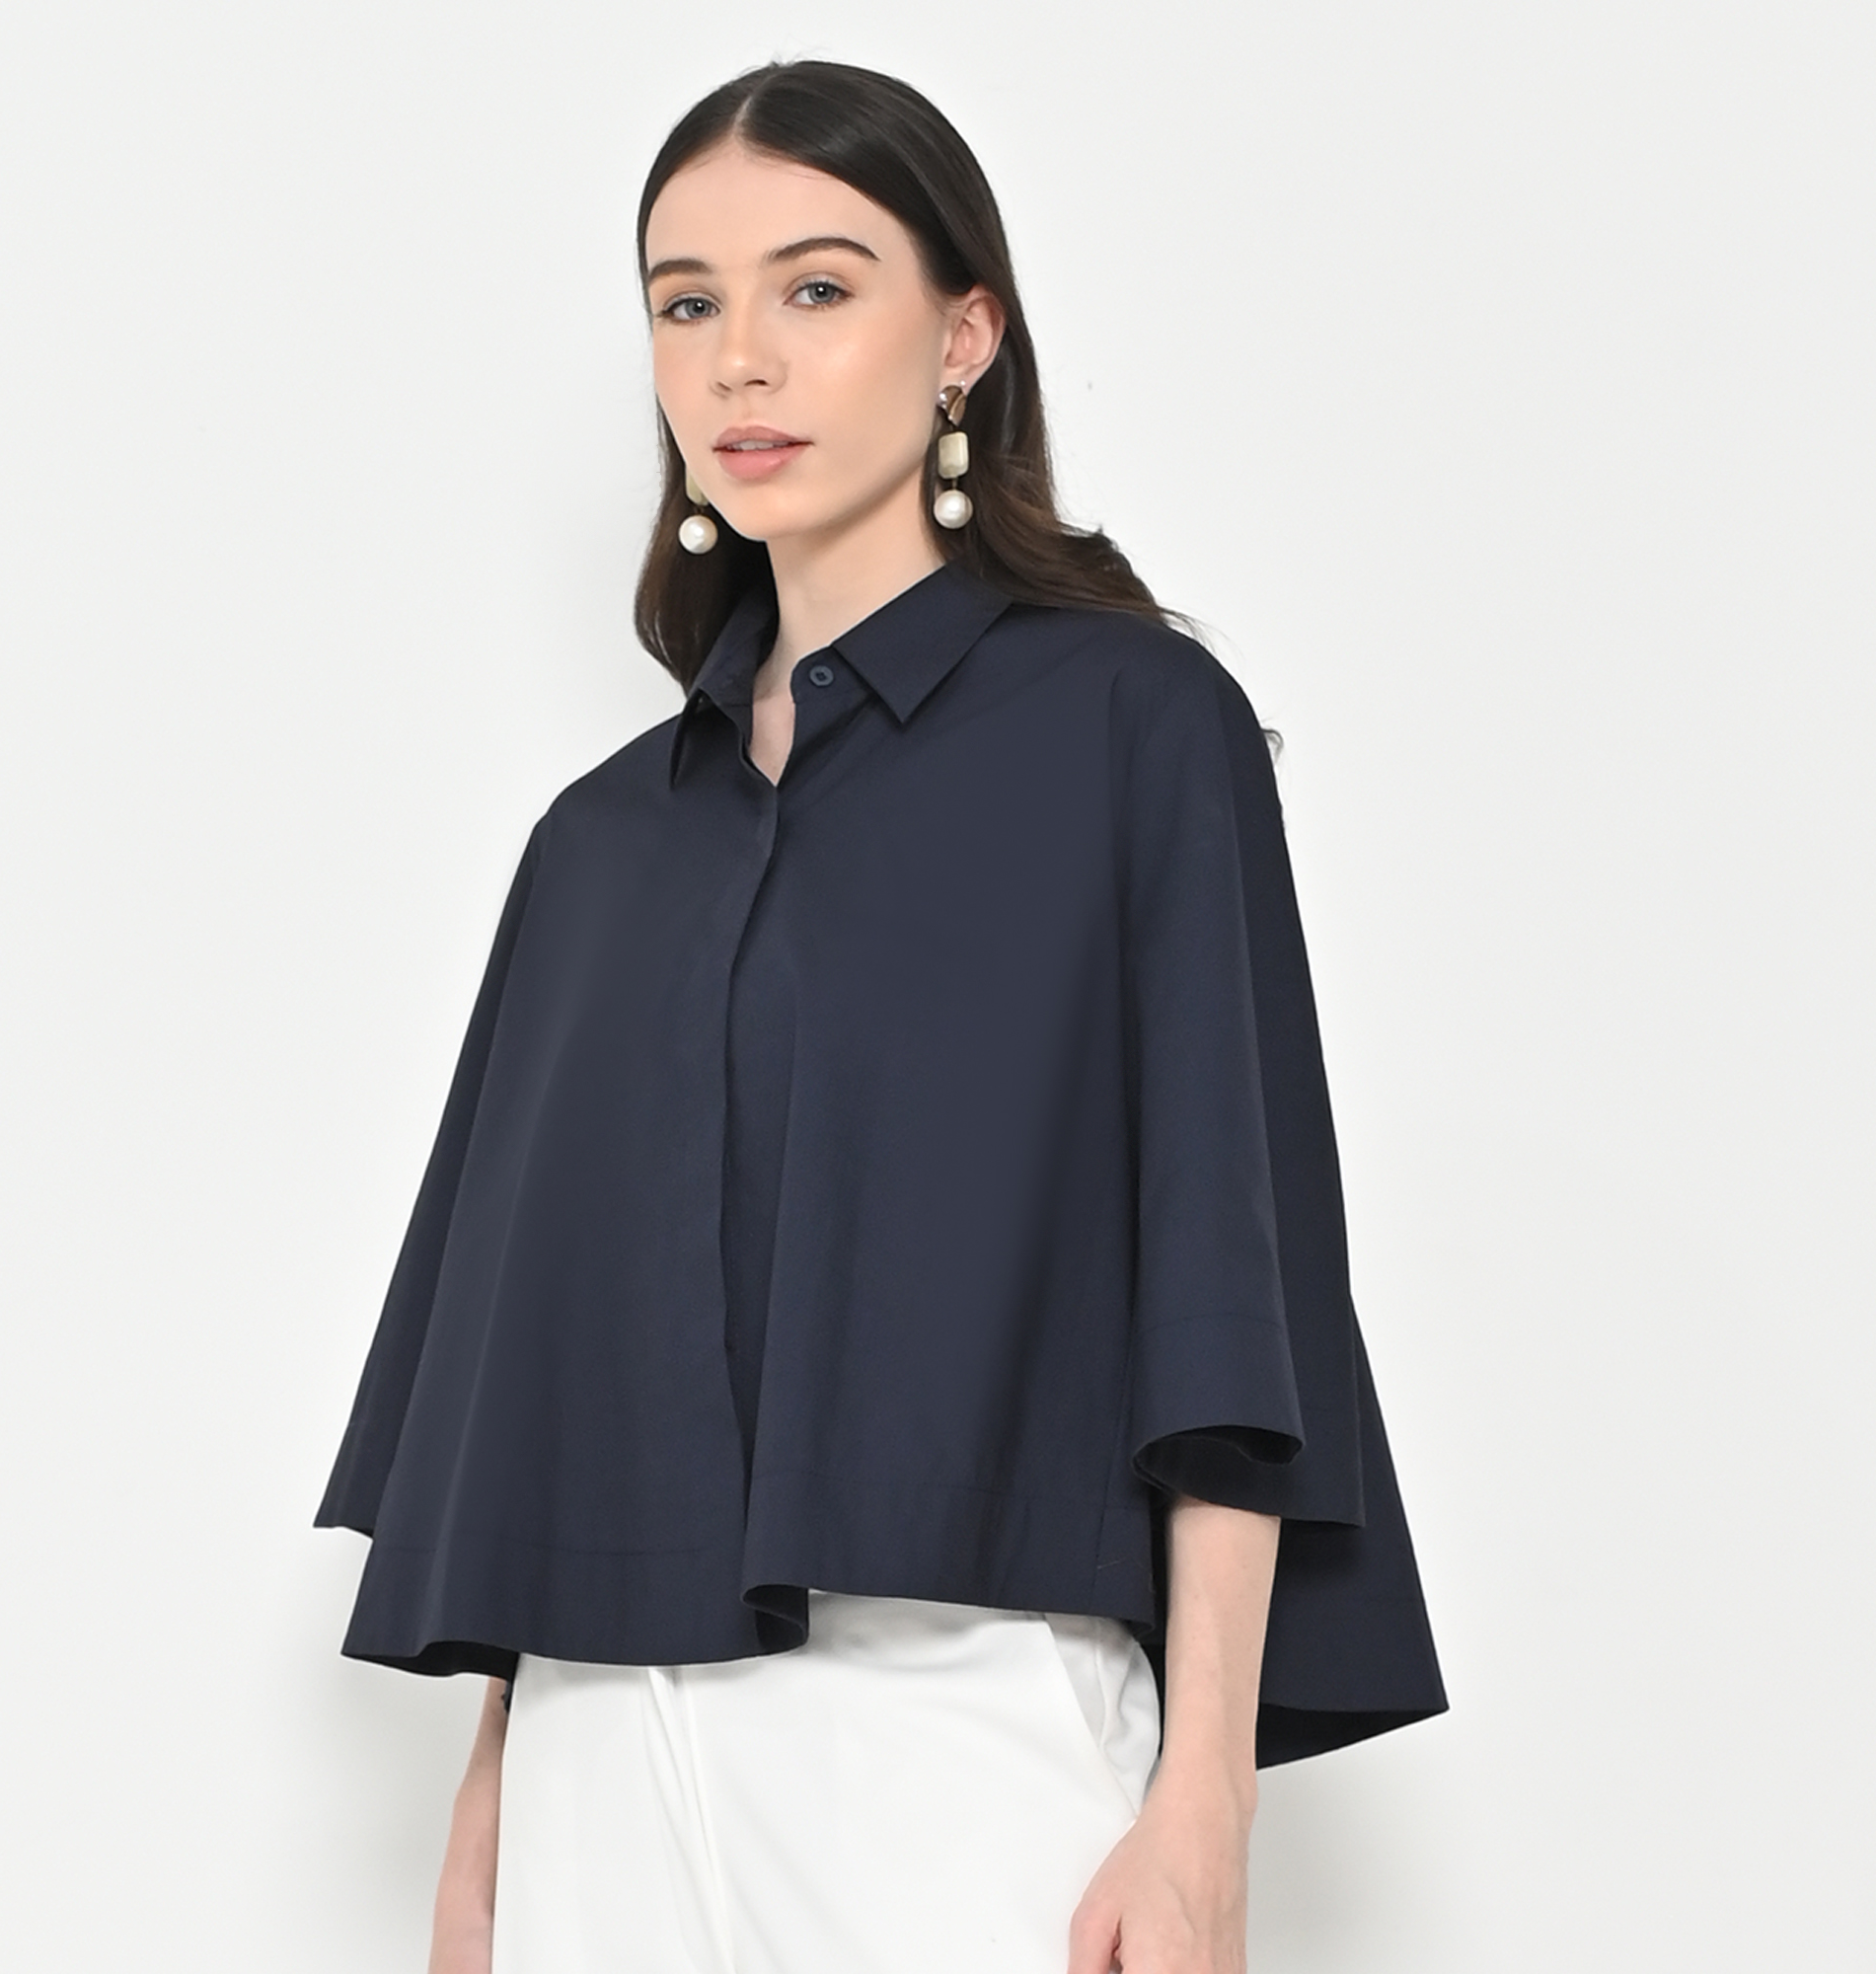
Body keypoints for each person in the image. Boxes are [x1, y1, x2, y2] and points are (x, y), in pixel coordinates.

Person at [314, 57, 1446, 1974]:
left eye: (817, 287)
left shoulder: (1129, 734)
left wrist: (1204, 1801)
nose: (740, 359)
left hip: (956, 1727)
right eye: (687, 303)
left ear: (963, 338)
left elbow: (1224, 1297)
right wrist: (496, 1789)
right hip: (599, 1754)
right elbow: (534, 1366)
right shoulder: (597, 847)